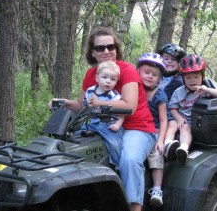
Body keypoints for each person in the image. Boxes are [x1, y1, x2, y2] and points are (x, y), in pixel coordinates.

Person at [49, 27, 156, 211]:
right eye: (100, 48)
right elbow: (82, 104)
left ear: (116, 48)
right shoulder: (92, 75)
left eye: (110, 46)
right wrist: (63, 103)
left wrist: (97, 104)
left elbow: (128, 106)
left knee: (129, 159)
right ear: (93, 53)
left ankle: (135, 207)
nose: (106, 51)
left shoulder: (127, 70)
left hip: (137, 127)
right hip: (104, 127)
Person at [164, 54, 217, 164]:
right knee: (172, 124)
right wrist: (178, 118)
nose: (192, 80)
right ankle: (168, 145)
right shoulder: (179, 92)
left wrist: (207, 90)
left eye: (196, 77)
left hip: (193, 122)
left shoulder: (205, 90)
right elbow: (173, 108)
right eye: (188, 77)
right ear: (182, 78)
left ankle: (183, 148)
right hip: (180, 117)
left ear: (203, 77)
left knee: (186, 128)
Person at [136, 53, 168, 207]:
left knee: (156, 153)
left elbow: (163, 119)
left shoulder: (159, 94)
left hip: (153, 130)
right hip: (136, 127)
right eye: (146, 73)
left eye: (154, 75)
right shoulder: (134, 90)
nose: (150, 77)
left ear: (159, 78)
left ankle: (156, 188)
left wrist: (160, 140)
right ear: (139, 72)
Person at [82, 61, 124, 168]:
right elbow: (85, 105)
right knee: (74, 134)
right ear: (97, 78)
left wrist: (117, 125)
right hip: (91, 122)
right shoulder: (90, 91)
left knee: (114, 144)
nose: (108, 81)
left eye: (112, 79)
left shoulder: (115, 96)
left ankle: (118, 165)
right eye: (104, 77)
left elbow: (122, 114)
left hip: (107, 124)